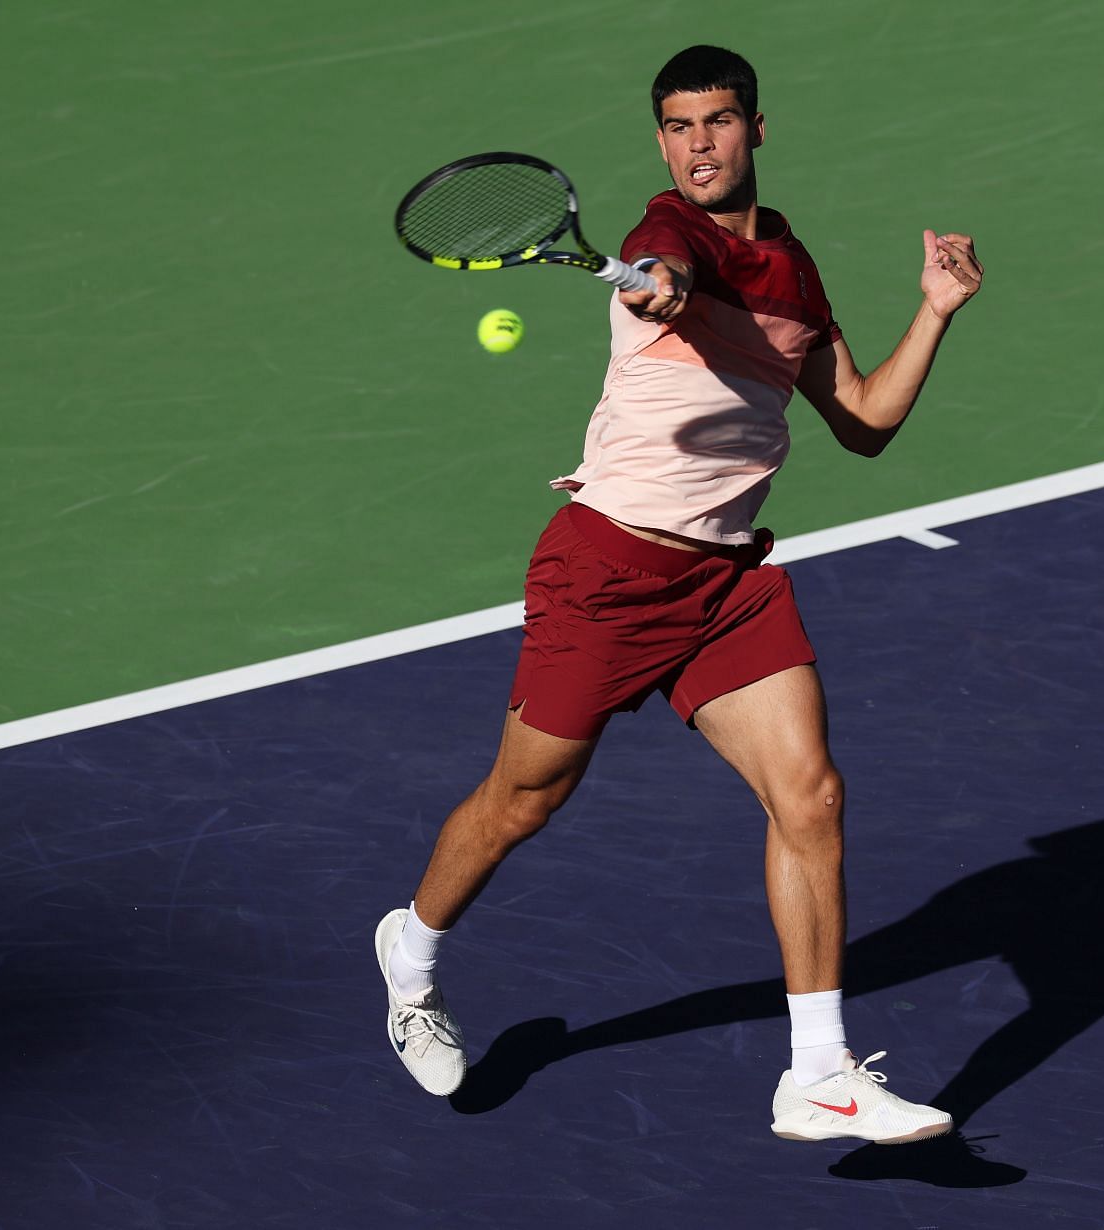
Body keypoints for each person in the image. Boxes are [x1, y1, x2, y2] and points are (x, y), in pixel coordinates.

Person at [373, 44, 983, 1146]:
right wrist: (660, 287)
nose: (697, 145)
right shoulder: (667, 238)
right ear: (661, 142)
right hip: (607, 570)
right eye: (678, 127)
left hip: (724, 585)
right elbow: (668, 275)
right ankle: (410, 954)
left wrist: (935, 310)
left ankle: (817, 1072)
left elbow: (863, 421)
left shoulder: (793, 269)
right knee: (525, 801)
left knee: (814, 798)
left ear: (758, 127)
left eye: (717, 123)